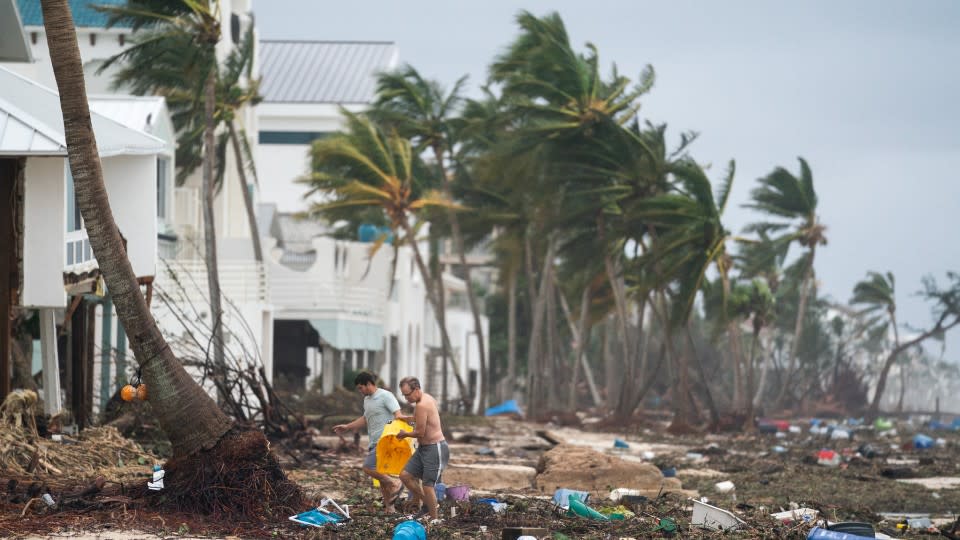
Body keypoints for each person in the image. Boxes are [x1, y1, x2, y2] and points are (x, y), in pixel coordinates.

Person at [332, 371, 406, 513]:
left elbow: (398, 415)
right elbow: (365, 419)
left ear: (368, 384)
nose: (360, 391)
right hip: (373, 441)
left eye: (361, 387)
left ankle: (395, 483)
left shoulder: (386, 396)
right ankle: (390, 509)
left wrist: (397, 436)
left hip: (385, 440)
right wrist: (347, 427)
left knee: (368, 467)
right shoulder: (367, 400)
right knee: (381, 478)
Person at [396, 376, 448, 520]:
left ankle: (434, 518)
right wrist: (405, 419)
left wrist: (404, 434)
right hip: (423, 449)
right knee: (405, 475)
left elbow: (420, 432)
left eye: (407, 394)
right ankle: (427, 504)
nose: (406, 398)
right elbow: (421, 418)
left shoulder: (422, 405)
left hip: (434, 448)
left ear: (417, 389)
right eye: (403, 395)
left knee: (428, 485)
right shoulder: (425, 399)